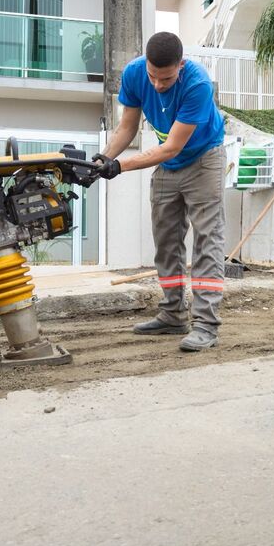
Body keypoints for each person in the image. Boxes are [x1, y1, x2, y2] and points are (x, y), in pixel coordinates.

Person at [93, 32, 226, 351]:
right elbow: (127, 127)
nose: (157, 85)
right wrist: (104, 158)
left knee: (207, 239)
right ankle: (172, 314)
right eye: (153, 76)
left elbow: (172, 146)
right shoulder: (135, 73)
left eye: (166, 78)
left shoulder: (197, 84)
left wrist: (121, 166)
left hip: (203, 159)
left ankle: (206, 324)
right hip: (169, 164)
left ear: (181, 65)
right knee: (166, 238)